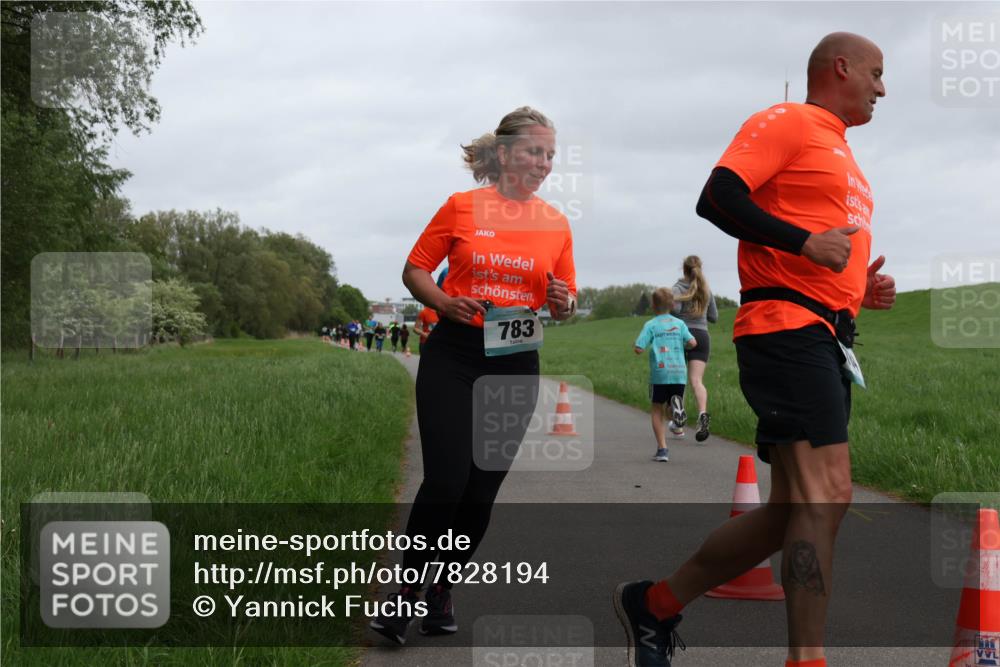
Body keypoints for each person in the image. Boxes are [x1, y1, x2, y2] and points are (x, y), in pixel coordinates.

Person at [614, 32, 896, 667]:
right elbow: (716, 197)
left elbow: (827, 248)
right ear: (841, 68)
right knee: (827, 495)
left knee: (789, 511)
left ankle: (654, 604)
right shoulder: (790, 120)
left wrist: (856, 290)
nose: (883, 89)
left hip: (823, 331)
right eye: (876, 74)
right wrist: (803, 244)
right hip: (784, 330)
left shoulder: (843, 154)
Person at [370, 106, 577, 646]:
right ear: (506, 153)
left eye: (551, 154)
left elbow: (565, 302)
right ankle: (406, 594)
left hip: (516, 359)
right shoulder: (462, 208)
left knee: (480, 494)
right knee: (446, 481)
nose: (545, 163)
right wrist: (443, 301)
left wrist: (563, 301)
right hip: (455, 353)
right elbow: (414, 270)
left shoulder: (556, 224)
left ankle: (441, 588)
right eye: (535, 151)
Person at [634, 288, 697, 462]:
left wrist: (639, 346)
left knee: (656, 409)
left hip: (660, 374)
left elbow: (638, 349)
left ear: (653, 305)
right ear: (672, 305)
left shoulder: (651, 325)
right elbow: (693, 342)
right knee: (673, 402)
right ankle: (676, 407)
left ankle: (662, 449)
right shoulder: (680, 324)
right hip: (679, 371)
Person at [671, 256, 718, 443]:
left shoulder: (677, 288)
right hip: (702, 336)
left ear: (683, 269)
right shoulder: (706, 289)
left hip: (681, 335)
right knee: (697, 381)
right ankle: (702, 415)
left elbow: (674, 310)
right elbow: (714, 317)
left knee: (678, 380)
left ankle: (679, 420)